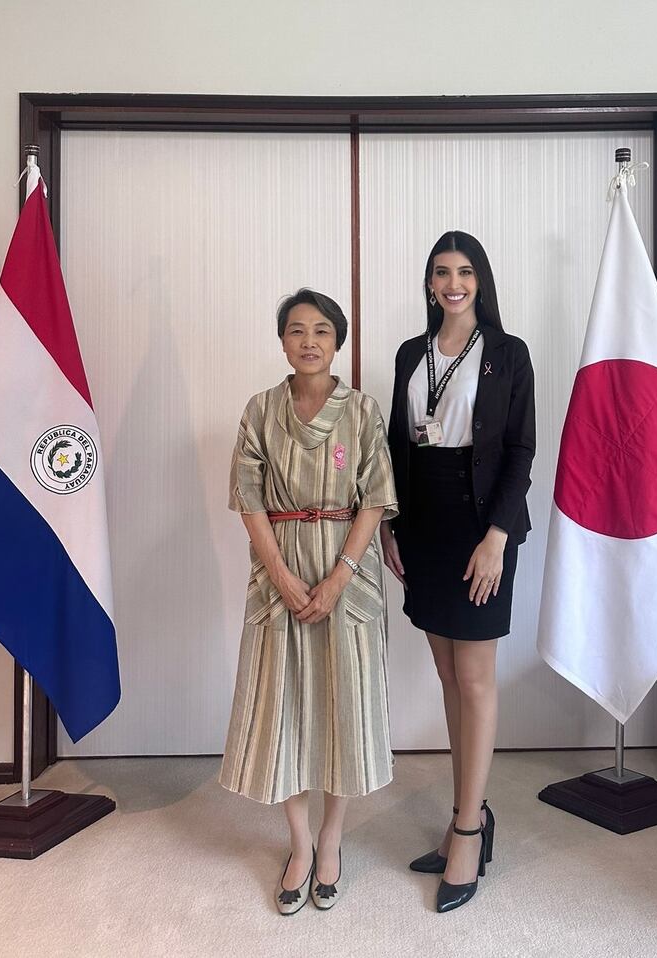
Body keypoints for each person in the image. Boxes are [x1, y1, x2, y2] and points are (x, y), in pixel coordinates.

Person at [220, 288, 398, 915]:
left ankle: (331, 840)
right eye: (297, 330)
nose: (309, 341)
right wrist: (283, 576)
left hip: (347, 575)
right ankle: (298, 843)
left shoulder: (363, 411)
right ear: (282, 341)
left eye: (322, 330)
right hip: (279, 578)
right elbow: (248, 498)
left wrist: (339, 575)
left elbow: (374, 497)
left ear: (338, 339)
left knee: (342, 712)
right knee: (283, 712)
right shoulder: (260, 410)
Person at [380, 231, 535, 914]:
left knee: (473, 679)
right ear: (429, 282)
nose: (453, 283)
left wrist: (497, 537)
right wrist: (388, 525)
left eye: (465, 272)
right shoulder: (411, 354)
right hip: (424, 525)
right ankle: (462, 812)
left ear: (481, 281)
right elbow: (393, 442)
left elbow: (522, 449)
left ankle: (469, 830)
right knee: (447, 674)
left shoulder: (508, 353)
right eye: (442, 272)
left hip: (480, 527)